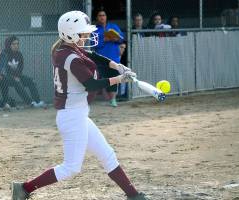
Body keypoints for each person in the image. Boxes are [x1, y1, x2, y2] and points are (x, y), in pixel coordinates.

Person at [11, 11, 149, 200]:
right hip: (71, 117)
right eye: (83, 33)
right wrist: (119, 79)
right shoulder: (70, 57)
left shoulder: (67, 49)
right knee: (71, 168)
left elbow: (92, 55)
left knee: (107, 154)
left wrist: (117, 65)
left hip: (78, 115)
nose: (87, 36)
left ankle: (134, 195)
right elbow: (91, 84)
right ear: (71, 34)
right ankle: (24, 188)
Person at [93, 10, 124, 107]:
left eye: (104, 15)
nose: (102, 17)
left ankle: (113, 99)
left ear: (106, 17)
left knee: (114, 77)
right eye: (100, 15)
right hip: (101, 58)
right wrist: (104, 39)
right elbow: (94, 44)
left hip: (114, 57)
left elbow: (122, 39)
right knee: (104, 78)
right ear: (97, 18)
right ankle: (106, 98)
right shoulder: (94, 30)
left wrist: (116, 39)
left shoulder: (113, 26)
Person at [3, 35, 45, 108]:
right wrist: (13, 76)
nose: (16, 46)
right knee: (17, 82)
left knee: (31, 81)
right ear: (9, 45)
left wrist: (17, 76)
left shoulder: (19, 54)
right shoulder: (4, 54)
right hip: (6, 77)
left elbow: (20, 68)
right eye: (13, 44)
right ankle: (30, 102)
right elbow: (4, 69)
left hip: (17, 76)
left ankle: (37, 101)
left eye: (17, 44)